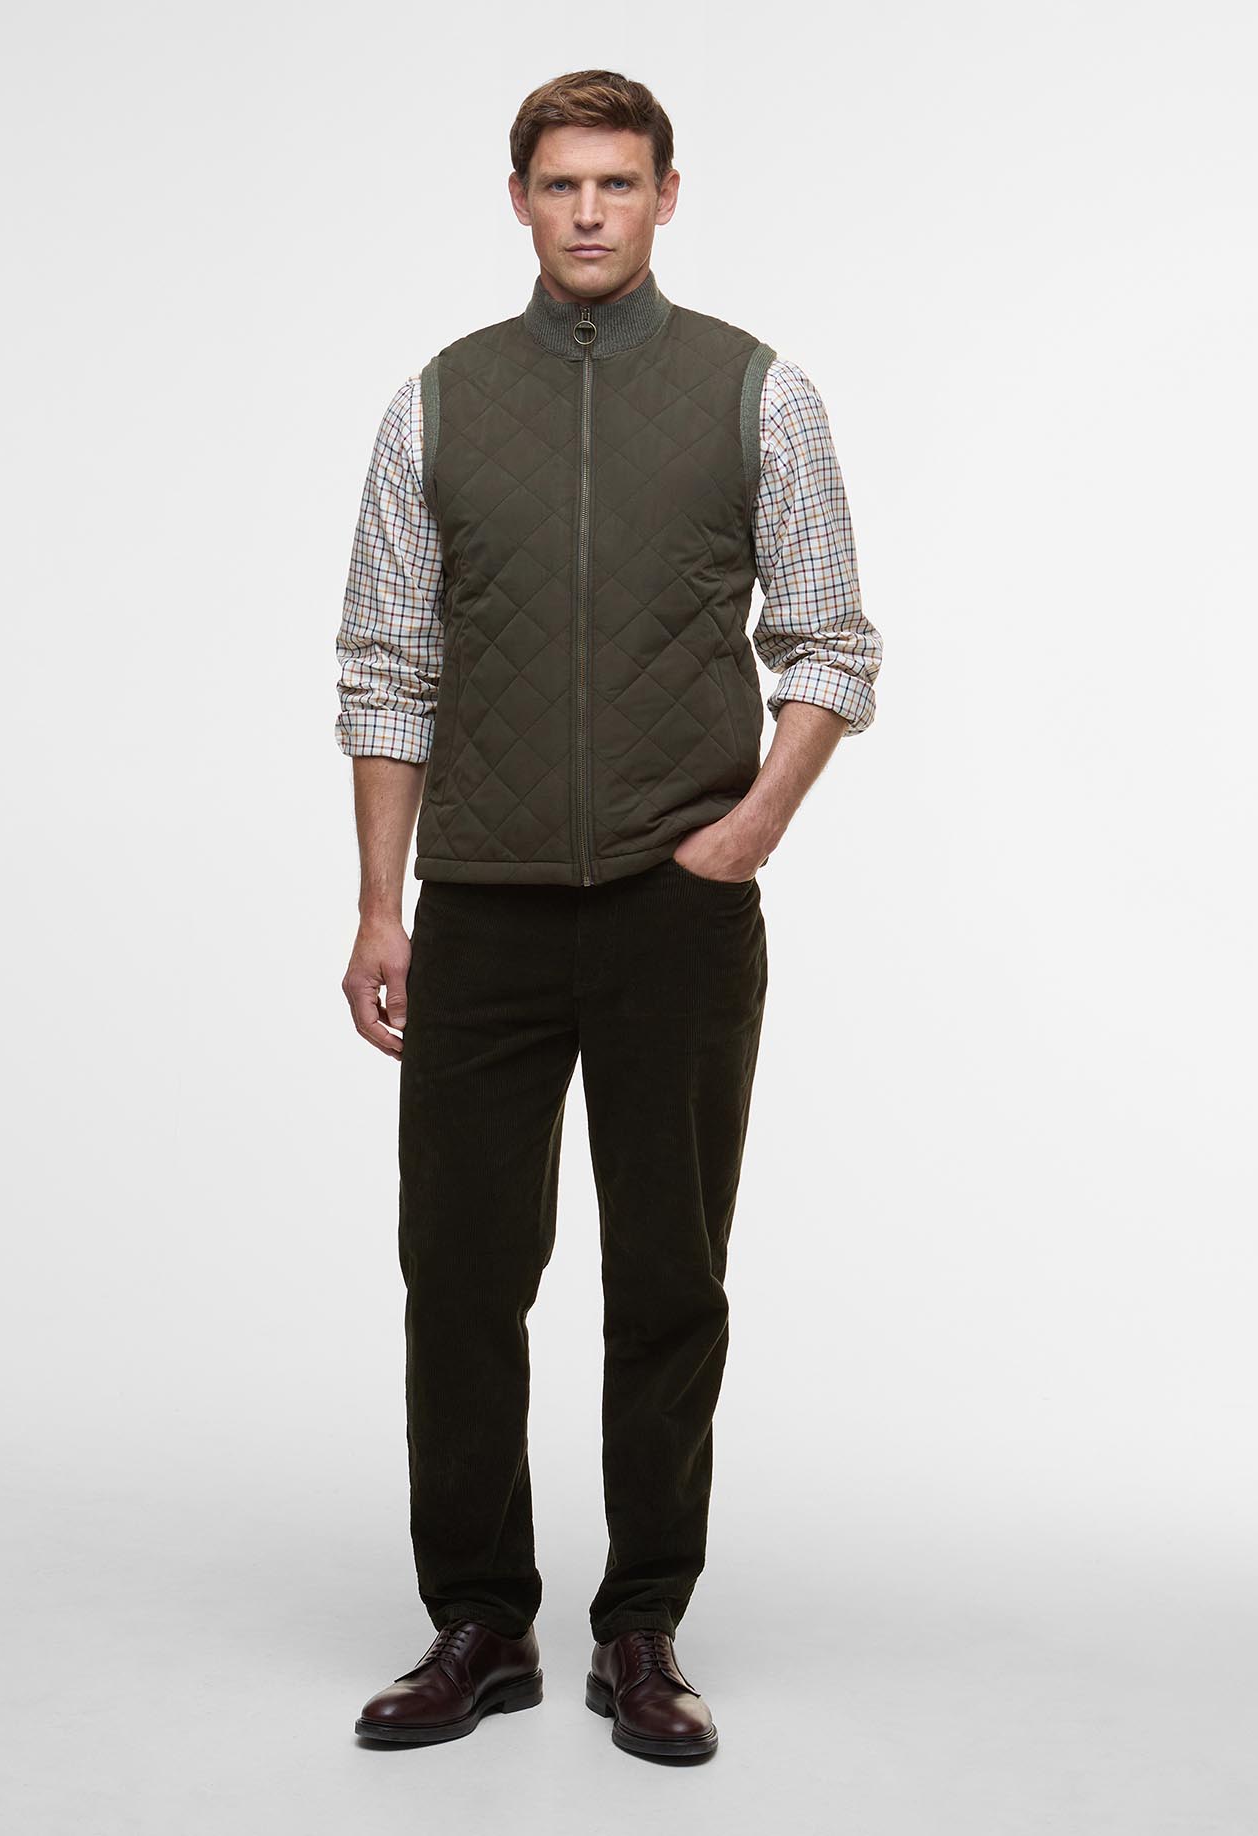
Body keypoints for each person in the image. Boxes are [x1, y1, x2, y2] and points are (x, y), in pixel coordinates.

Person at [336, 68, 882, 1760]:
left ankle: (641, 1626)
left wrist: (750, 830)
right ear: (519, 198)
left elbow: (832, 642)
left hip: (674, 912)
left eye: (618, 183)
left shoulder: (757, 394)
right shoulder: (436, 405)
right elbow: (387, 665)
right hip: (481, 913)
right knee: (459, 1278)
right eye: (561, 183)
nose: (589, 210)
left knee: (667, 1280)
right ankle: (479, 1622)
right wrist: (379, 907)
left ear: (665, 197)